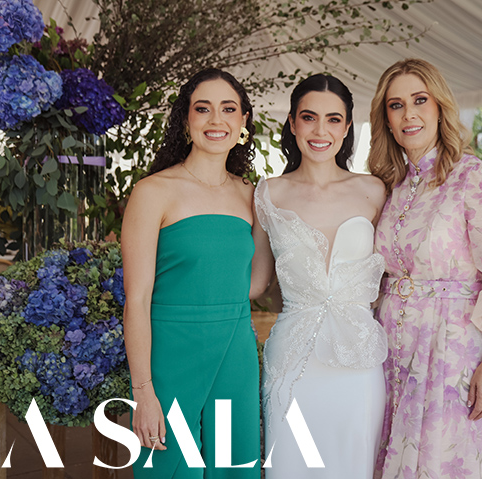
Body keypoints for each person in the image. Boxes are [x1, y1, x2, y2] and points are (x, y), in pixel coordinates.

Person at [368, 58, 482, 479]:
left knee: (446, 461)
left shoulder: (478, 178)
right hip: (390, 351)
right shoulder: (389, 186)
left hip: (451, 351)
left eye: (419, 101)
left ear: (440, 107)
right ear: (386, 119)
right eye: (396, 105)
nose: (408, 114)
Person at [122, 68, 261, 478]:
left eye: (228, 109)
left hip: (235, 351)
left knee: (234, 467)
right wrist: (143, 392)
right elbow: (136, 300)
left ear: (243, 121)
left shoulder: (251, 194)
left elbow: (254, 284)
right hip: (170, 355)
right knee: (168, 468)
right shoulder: (152, 191)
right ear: (186, 119)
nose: (216, 120)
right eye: (203, 109)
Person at [250, 74, 388, 478]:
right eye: (309, 117)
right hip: (293, 361)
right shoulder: (268, 193)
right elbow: (256, 283)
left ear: (347, 128)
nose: (320, 131)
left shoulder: (375, 190)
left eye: (333, 119)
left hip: (358, 361)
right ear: (292, 123)